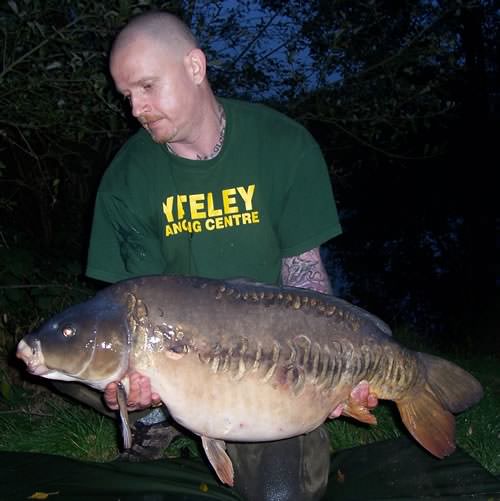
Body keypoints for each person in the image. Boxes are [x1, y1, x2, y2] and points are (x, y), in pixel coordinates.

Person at [62, 10, 378, 501]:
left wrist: (330, 367)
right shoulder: (127, 180)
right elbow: (127, 308)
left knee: (282, 494)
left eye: (147, 87)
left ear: (194, 66)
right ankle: (154, 415)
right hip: (173, 352)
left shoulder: (283, 146)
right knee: (66, 343)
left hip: (267, 362)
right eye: (127, 95)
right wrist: (128, 385)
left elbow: (306, 280)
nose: (135, 108)